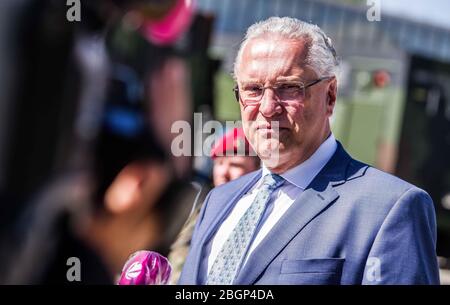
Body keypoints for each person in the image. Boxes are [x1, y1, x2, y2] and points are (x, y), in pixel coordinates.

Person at [179, 17, 440, 285]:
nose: (268, 108)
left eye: (289, 88)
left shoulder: (389, 209)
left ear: (330, 96)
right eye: (253, 89)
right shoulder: (219, 200)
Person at [168, 127, 260, 284]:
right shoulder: (202, 206)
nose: (223, 172)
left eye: (235, 165)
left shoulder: (260, 212)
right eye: (220, 162)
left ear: (257, 169)